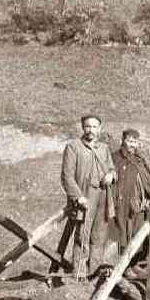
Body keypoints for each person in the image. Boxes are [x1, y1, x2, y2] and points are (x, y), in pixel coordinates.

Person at [61, 115, 116, 279]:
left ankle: (94, 273)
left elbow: (112, 169)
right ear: (82, 128)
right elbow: (67, 176)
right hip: (85, 197)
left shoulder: (104, 148)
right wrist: (78, 197)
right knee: (82, 237)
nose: (91, 130)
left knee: (99, 236)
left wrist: (111, 176)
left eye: (94, 127)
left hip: (103, 196)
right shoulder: (73, 147)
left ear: (99, 128)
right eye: (87, 126)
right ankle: (79, 274)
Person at [112, 129, 150, 258]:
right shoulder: (116, 158)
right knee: (124, 234)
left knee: (138, 233)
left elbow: (148, 180)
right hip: (124, 203)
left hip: (141, 203)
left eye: (135, 142)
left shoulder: (139, 159)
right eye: (129, 141)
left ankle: (134, 263)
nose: (132, 145)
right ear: (122, 141)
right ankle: (124, 266)